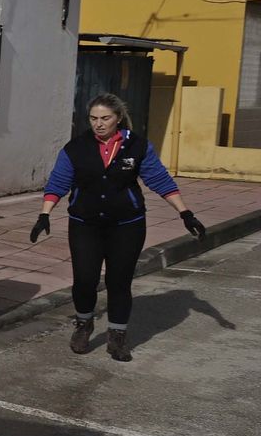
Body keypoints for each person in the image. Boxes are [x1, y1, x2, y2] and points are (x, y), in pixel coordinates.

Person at [30, 93, 205, 361]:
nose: (99, 124)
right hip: (85, 224)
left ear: (118, 118)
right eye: (93, 118)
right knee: (85, 280)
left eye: (105, 118)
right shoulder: (76, 148)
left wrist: (185, 213)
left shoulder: (137, 146)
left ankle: (117, 336)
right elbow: (58, 182)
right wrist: (45, 214)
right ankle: (84, 324)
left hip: (127, 225)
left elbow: (159, 180)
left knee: (119, 281)